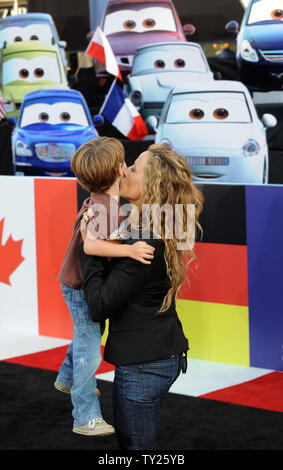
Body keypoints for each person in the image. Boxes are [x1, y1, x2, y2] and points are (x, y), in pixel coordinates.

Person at [78, 144, 204, 449]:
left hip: (144, 366)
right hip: (155, 356)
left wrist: (88, 247)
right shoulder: (153, 224)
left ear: (152, 185)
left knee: (134, 448)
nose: (123, 171)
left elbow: (98, 306)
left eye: (132, 168)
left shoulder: (145, 241)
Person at [55, 137, 155, 436]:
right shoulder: (104, 207)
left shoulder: (105, 202)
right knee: (90, 350)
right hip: (79, 287)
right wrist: (130, 250)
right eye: (125, 162)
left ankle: (66, 377)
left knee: (85, 336)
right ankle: (85, 416)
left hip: (75, 284)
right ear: (119, 170)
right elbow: (93, 246)